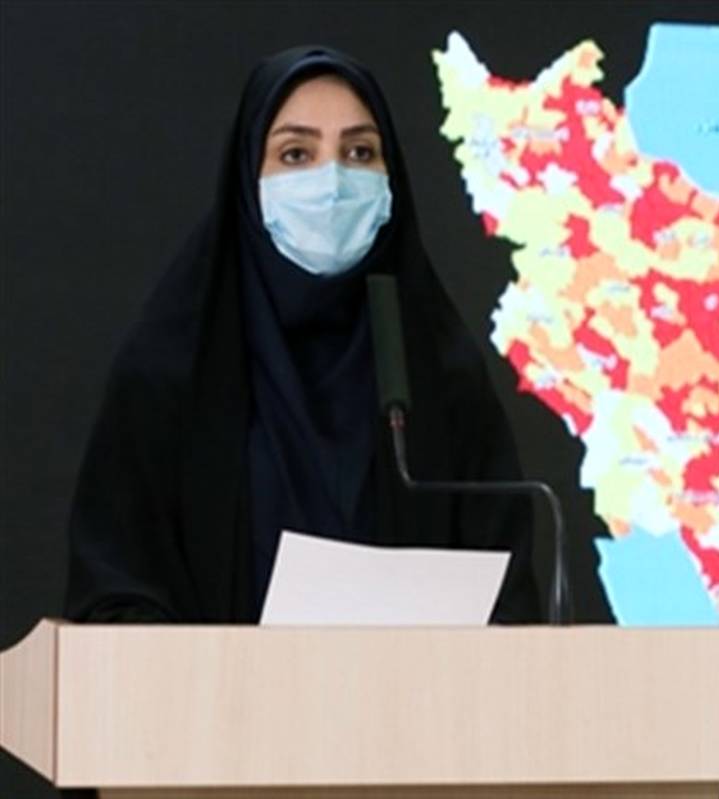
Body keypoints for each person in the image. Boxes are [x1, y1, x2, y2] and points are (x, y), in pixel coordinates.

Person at [63, 45, 541, 625]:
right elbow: (114, 597)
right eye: (296, 154)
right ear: (248, 180)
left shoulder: (440, 376)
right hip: (208, 687)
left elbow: (509, 605)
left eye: (359, 152)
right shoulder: (172, 373)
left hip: (423, 688)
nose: (332, 181)